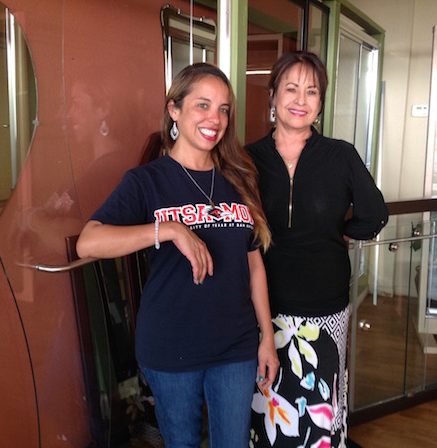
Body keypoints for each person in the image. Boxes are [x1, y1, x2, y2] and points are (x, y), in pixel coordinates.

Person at [76, 62, 279, 447]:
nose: (214, 119)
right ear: (174, 109)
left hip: (235, 345)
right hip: (171, 345)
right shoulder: (147, 180)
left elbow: (253, 263)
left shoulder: (238, 178)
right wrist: (168, 230)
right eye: (202, 105)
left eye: (223, 109)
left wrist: (266, 336)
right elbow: (89, 242)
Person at [247, 51, 388, 448]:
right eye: (291, 88)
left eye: (312, 92)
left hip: (324, 307)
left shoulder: (339, 155)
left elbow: (375, 214)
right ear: (273, 95)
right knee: (268, 405)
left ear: (320, 103)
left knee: (320, 405)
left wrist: (338, 231)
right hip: (265, 304)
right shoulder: (247, 158)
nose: (301, 99)